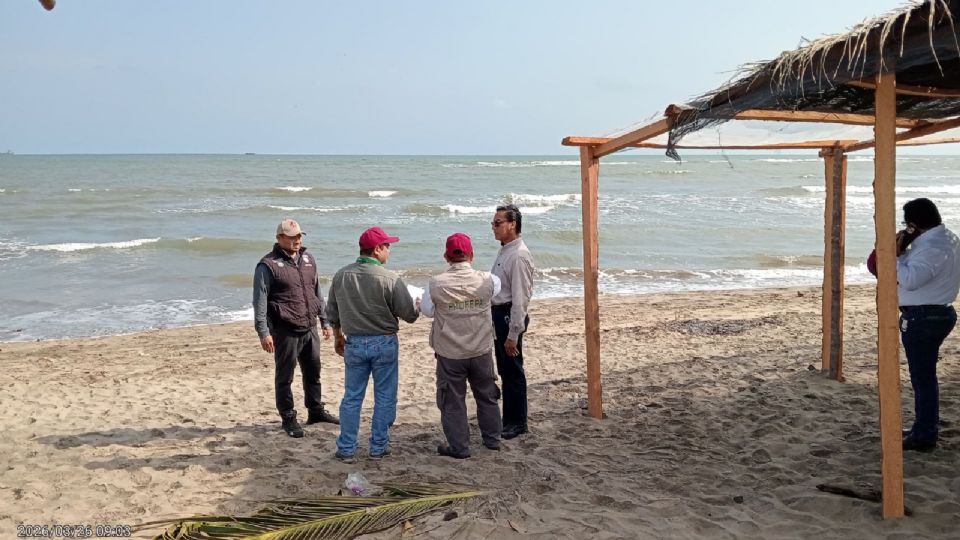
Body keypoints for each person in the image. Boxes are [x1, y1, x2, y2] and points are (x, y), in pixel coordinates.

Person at [867, 198, 960, 452]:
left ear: (913, 224)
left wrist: (895, 257)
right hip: (932, 313)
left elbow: (909, 279)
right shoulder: (944, 239)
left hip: (924, 317)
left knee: (923, 380)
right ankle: (923, 428)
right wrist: (901, 249)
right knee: (924, 378)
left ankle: (925, 435)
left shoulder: (933, 248)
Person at [326, 226, 419, 462]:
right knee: (385, 396)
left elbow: (332, 312)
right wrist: (417, 306)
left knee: (352, 396)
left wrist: (338, 336)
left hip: (355, 341)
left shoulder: (341, 275)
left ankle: (346, 448)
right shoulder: (390, 278)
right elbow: (409, 315)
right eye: (387, 246)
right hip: (384, 340)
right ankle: (378, 446)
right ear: (377, 250)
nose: (389, 250)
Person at [253, 219, 339, 438]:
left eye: (299, 236)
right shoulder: (267, 265)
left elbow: (316, 292)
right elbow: (260, 301)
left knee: (313, 372)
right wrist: (263, 332)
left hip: (309, 327)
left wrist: (325, 321)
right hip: (285, 330)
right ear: (280, 238)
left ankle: (316, 411)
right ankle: (288, 418)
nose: (297, 240)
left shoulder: (308, 259)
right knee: (285, 377)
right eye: (292, 237)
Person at [421, 233, 503, 458]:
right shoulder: (489, 280)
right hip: (481, 349)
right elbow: (494, 293)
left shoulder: (435, 284)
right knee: (486, 396)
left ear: (446, 257)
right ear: (471, 255)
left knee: (452, 400)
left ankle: (459, 447)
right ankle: (493, 439)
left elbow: (427, 311)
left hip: (450, 352)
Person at [490, 204, 535, 440]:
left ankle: (517, 422)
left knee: (513, 370)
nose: (493, 227)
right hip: (499, 314)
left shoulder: (518, 256)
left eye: (498, 223)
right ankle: (510, 419)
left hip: (508, 316)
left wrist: (513, 333)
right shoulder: (506, 250)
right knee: (506, 370)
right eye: (493, 223)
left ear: (512, 224)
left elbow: (520, 299)